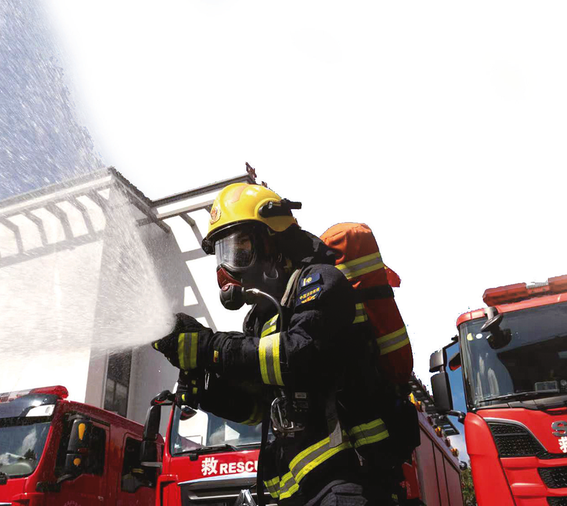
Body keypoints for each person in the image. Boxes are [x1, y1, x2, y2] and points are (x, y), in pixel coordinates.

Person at [153, 183, 406, 506]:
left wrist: (209, 348)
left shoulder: (322, 282)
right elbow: (261, 407)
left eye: (240, 248)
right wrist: (208, 391)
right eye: (223, 253)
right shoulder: (263, 318)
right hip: (300, 491)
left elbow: (300, 357)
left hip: (350, 479)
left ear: (273, 241)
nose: (228, 267)